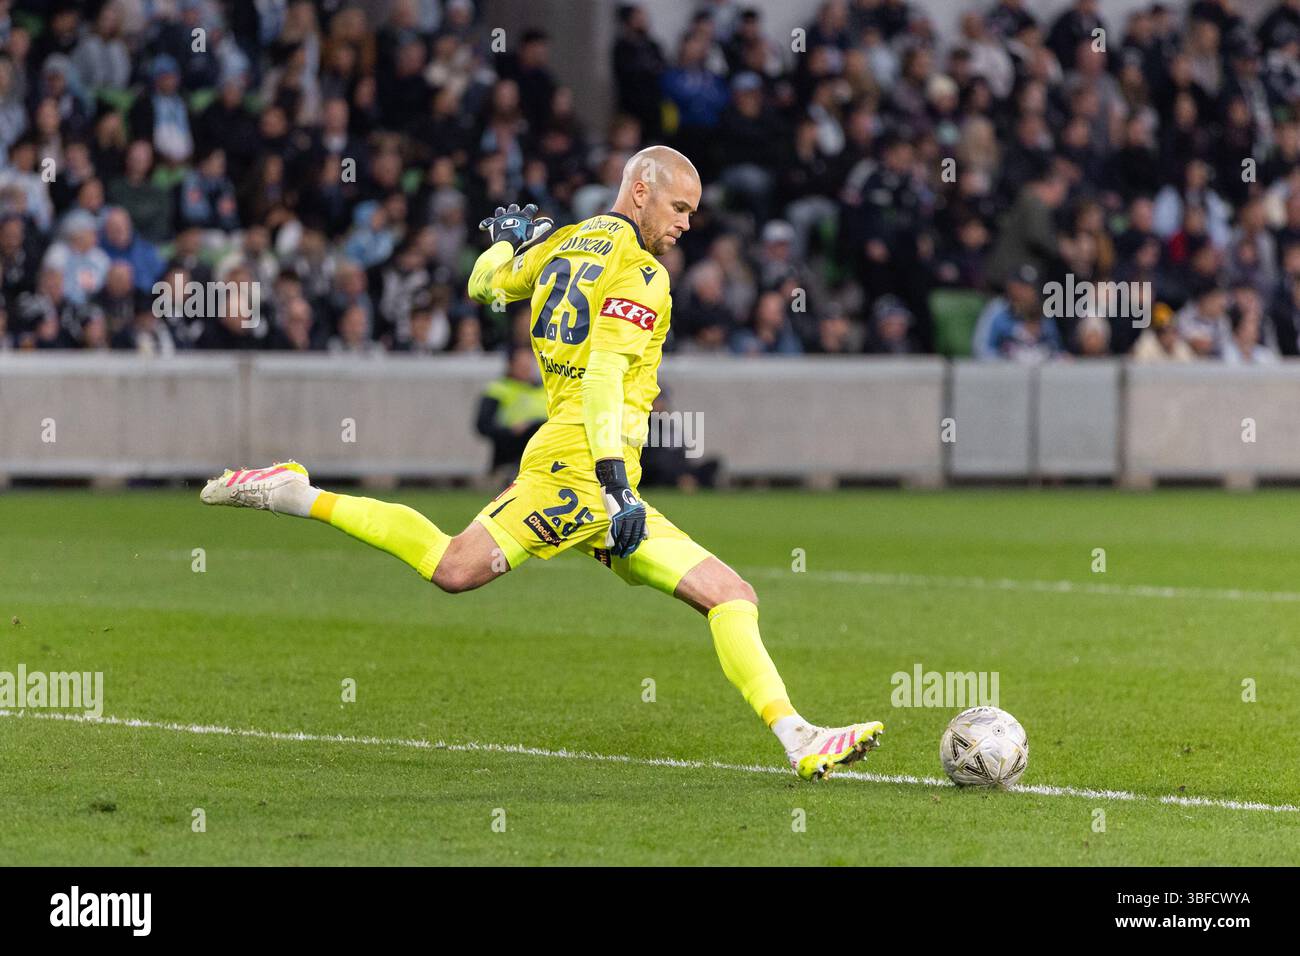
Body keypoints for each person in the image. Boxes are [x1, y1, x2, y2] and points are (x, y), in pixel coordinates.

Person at [200, 146, 883, 781]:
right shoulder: (644, 275)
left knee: (730, 595)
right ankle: (295, 494)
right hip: (586, 468)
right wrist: (616, 486)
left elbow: (484, 286)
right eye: (679, 208)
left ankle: (797, 736)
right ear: (639, 192)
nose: (685, 224)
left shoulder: (563, 242)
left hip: (584, 462)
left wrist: (507, 240)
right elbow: (604, 376)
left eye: (692, 214)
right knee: (454, 567)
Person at [475, 344, 548, 474]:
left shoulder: (545, 389)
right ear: (511, 365)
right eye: (522, 366)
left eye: (529, 365)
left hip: (543, 454)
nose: (526, 369)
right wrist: (510, 431)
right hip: (511, 454)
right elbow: (483, 425)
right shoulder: (498, 389)